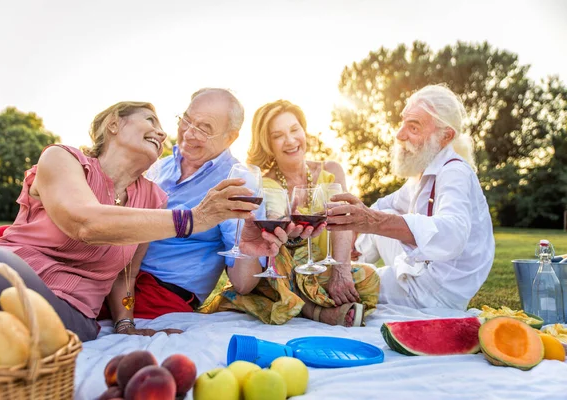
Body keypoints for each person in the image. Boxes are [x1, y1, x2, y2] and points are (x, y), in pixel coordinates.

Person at [0, 100, 280, 342]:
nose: (163, 132)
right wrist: (194, 218)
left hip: (67, 310)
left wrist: (126, 325)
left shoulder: (152, 199)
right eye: (150, 120)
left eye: (161, 127)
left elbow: (126, 275)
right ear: (114, 123)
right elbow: (85, 223)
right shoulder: (63, 159)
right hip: (11, 271)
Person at [201, 100, 380, 327]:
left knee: (369, 277)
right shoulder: (265, 183)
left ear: (303, 130)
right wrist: (292, 237)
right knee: (279, 269)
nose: (291, 140)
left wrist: (341, 272)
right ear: (268, 144)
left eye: (295, 130)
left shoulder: (331, 171)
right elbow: (271, 239)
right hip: (284, 271)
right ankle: (315, 311)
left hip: (322, 269)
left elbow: (342, 222)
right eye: (278, 135)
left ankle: (301, 301)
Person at [328, 84, 494, 310]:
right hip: (422, 269)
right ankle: (348, 262)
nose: (399, 134)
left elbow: (452, 234)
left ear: (445, 136)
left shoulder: (455, 172)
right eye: (403, 122)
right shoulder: (426, 171)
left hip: (436, 292)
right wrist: (356, 231)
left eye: (413, 127)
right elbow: (385, 205)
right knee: (382, 215)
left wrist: (371, 222)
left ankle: (344, 274)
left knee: (334, 283)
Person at [131, 88, 289, 320]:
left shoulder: (236, 182)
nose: (189, 132)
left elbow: (243, 284)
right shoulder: (159, 166)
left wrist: (246, 251)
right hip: (118, 279)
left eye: (205, 128)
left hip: (163, 293)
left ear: (230, 137)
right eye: (186, 119)